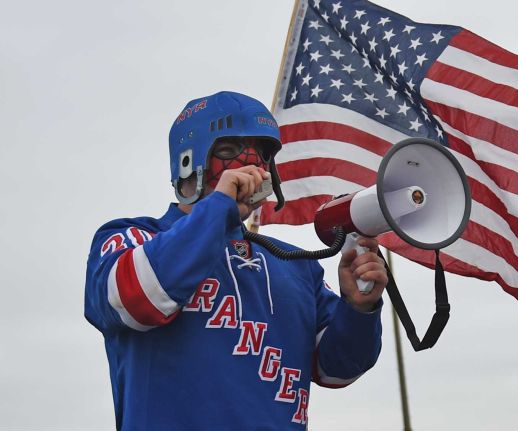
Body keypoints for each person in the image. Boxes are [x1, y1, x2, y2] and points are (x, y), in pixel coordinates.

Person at [84, 91, 387, 430]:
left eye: (262, 153)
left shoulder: (296, 265)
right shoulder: (132, 238)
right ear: (188, 159)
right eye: (229, 150)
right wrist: (219, 209)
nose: (251, 164)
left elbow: (337, 370)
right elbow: (135, 298)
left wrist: (359, 310)